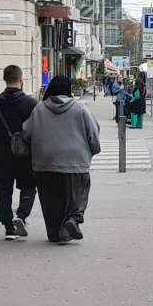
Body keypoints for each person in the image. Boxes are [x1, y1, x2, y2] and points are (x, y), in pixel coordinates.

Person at [22, 75, 100, 244]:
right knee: (78, 193)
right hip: (75, 160)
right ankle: (73, 219)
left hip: (45, 162)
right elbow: (93, 133)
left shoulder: (39, 109)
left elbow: (26, 133)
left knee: (50, 200)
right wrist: (92, 151)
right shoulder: (80, 108)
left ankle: (54, 233)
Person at [0, 65, 40, 240]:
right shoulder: (31, 104)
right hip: (25, 154)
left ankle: (8, 227)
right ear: (21, 80)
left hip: (1, 153)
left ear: (4, 79)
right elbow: (38, 129)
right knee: (29, 186)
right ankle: (21, 216)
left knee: (3, 190)